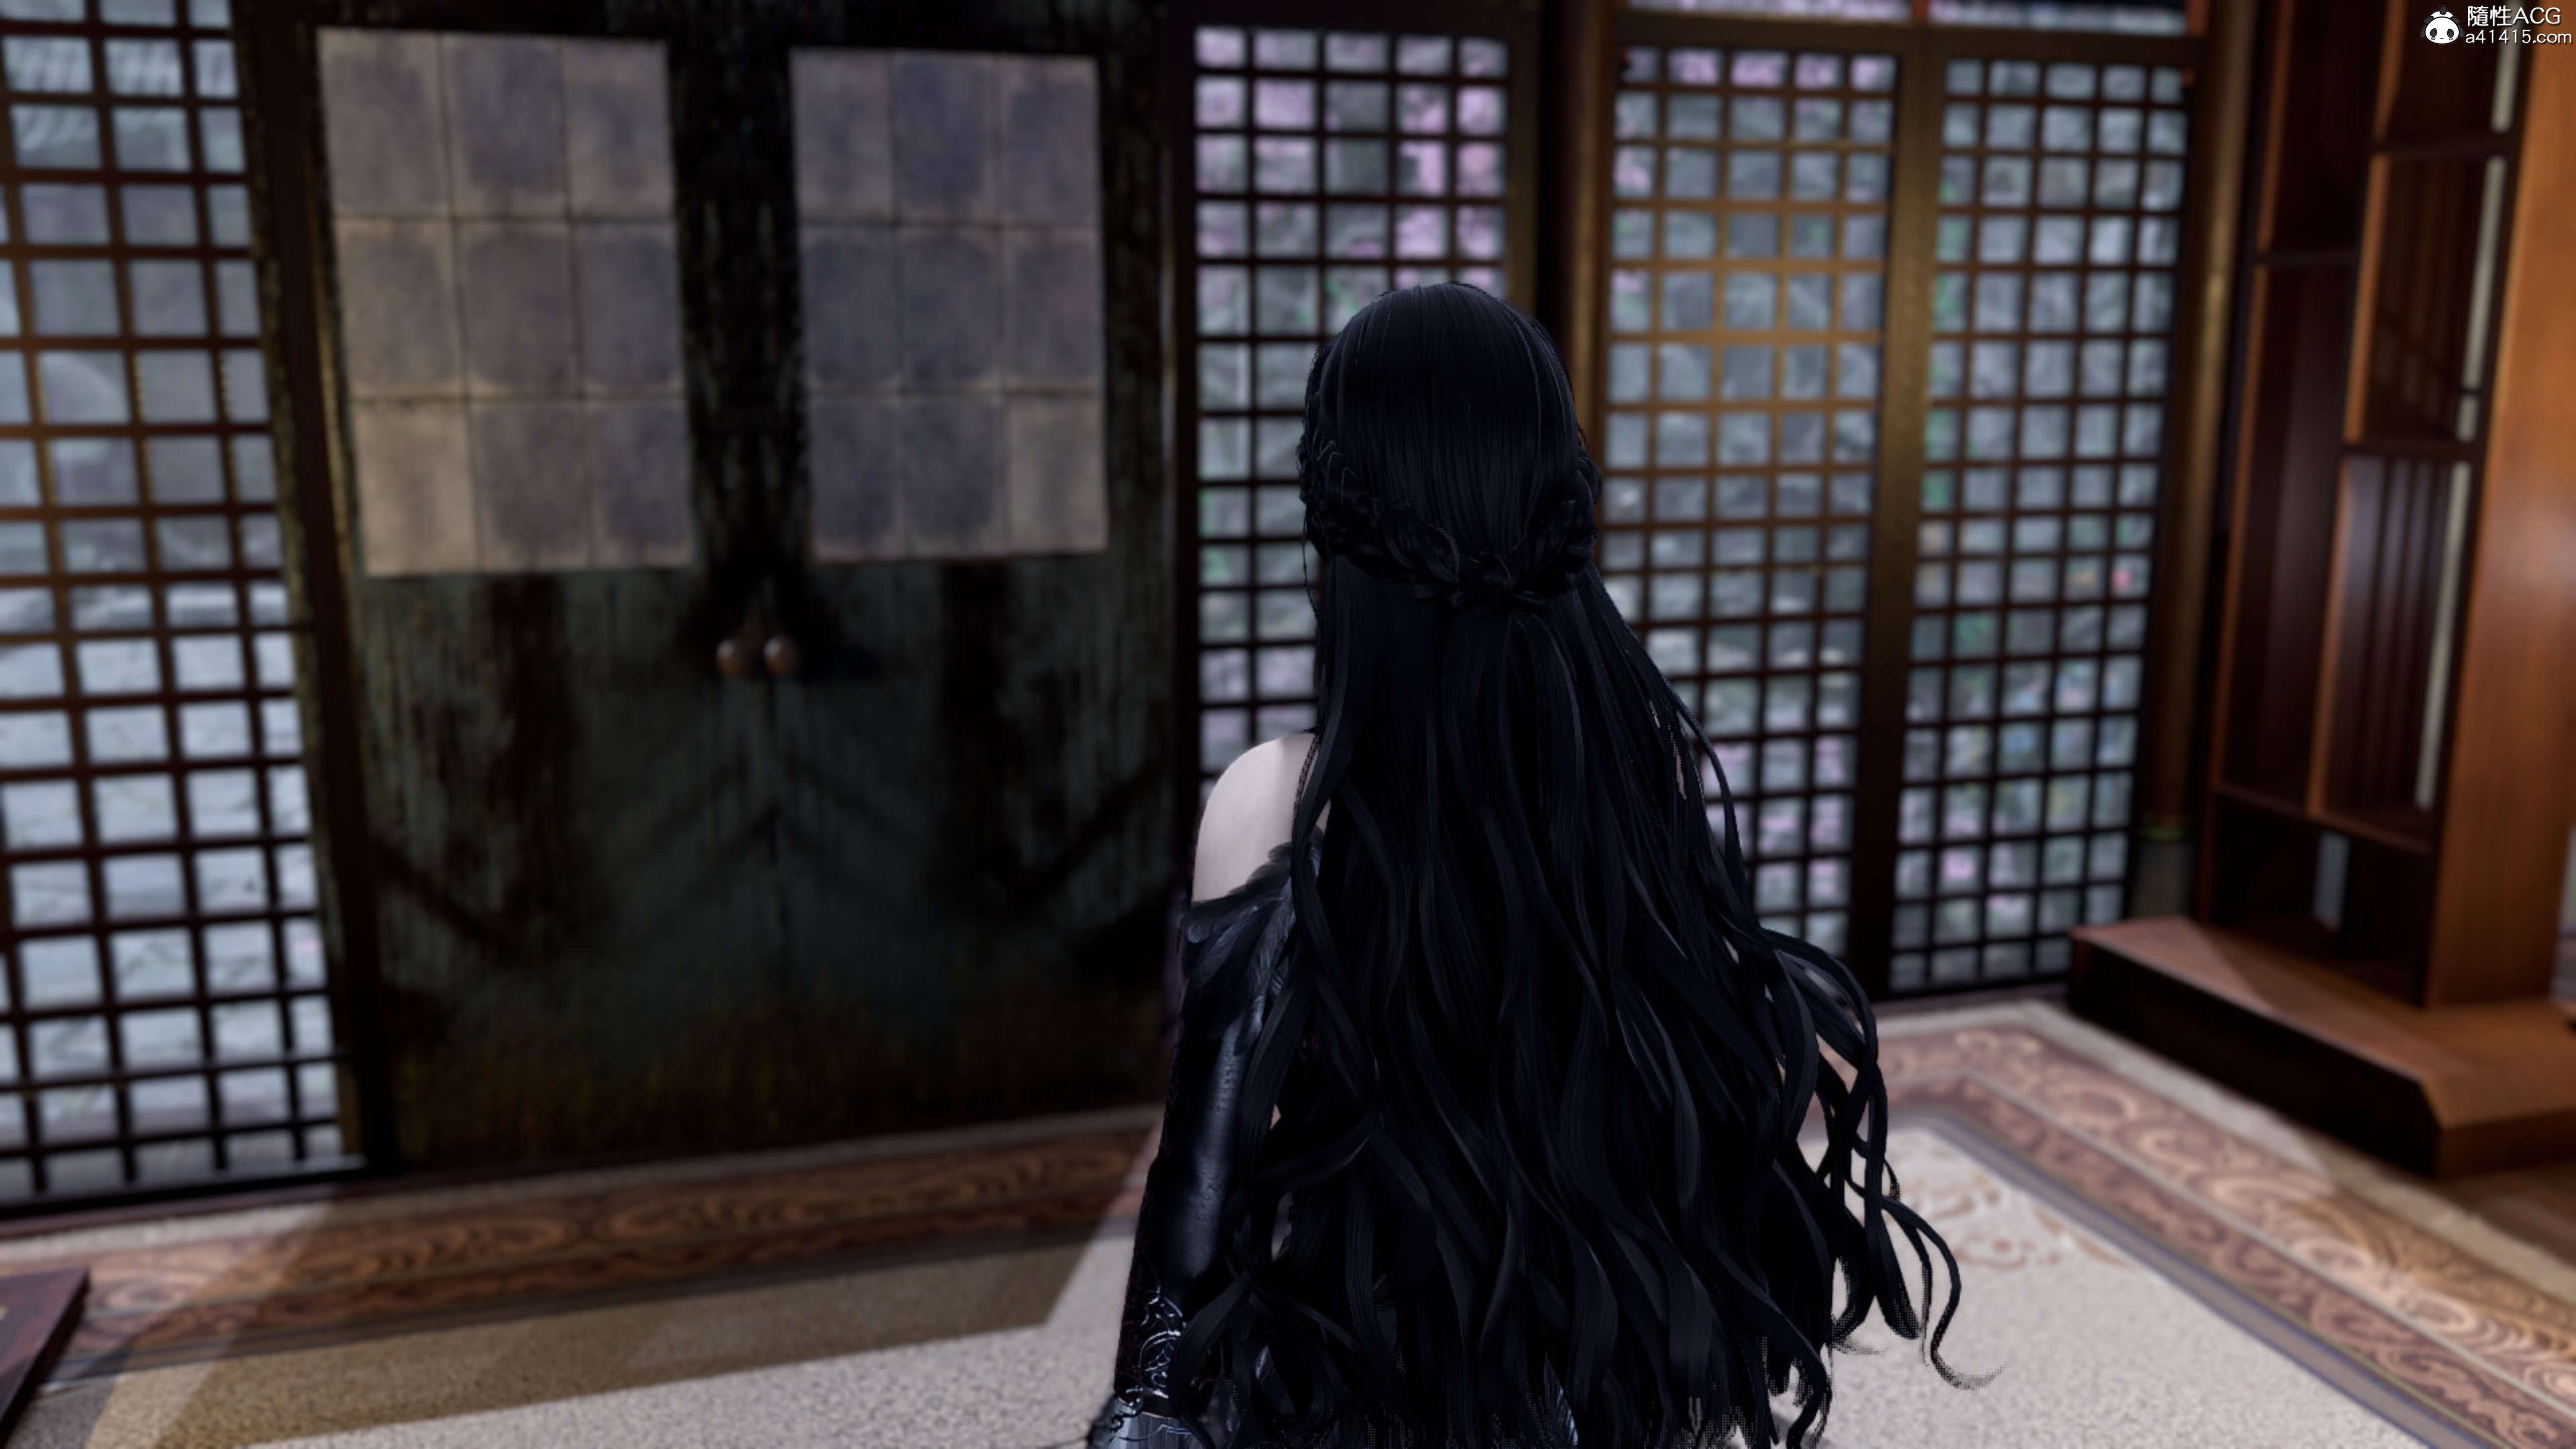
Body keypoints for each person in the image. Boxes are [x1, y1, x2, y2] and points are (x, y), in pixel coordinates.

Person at [1089, 284, 1970, 1449]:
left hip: (1368, 1372)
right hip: (1604, 1362)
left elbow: (1200, 1178)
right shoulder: (1634, 765)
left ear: (1336, 525)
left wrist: (1145, 1413)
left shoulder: (1278, 802)